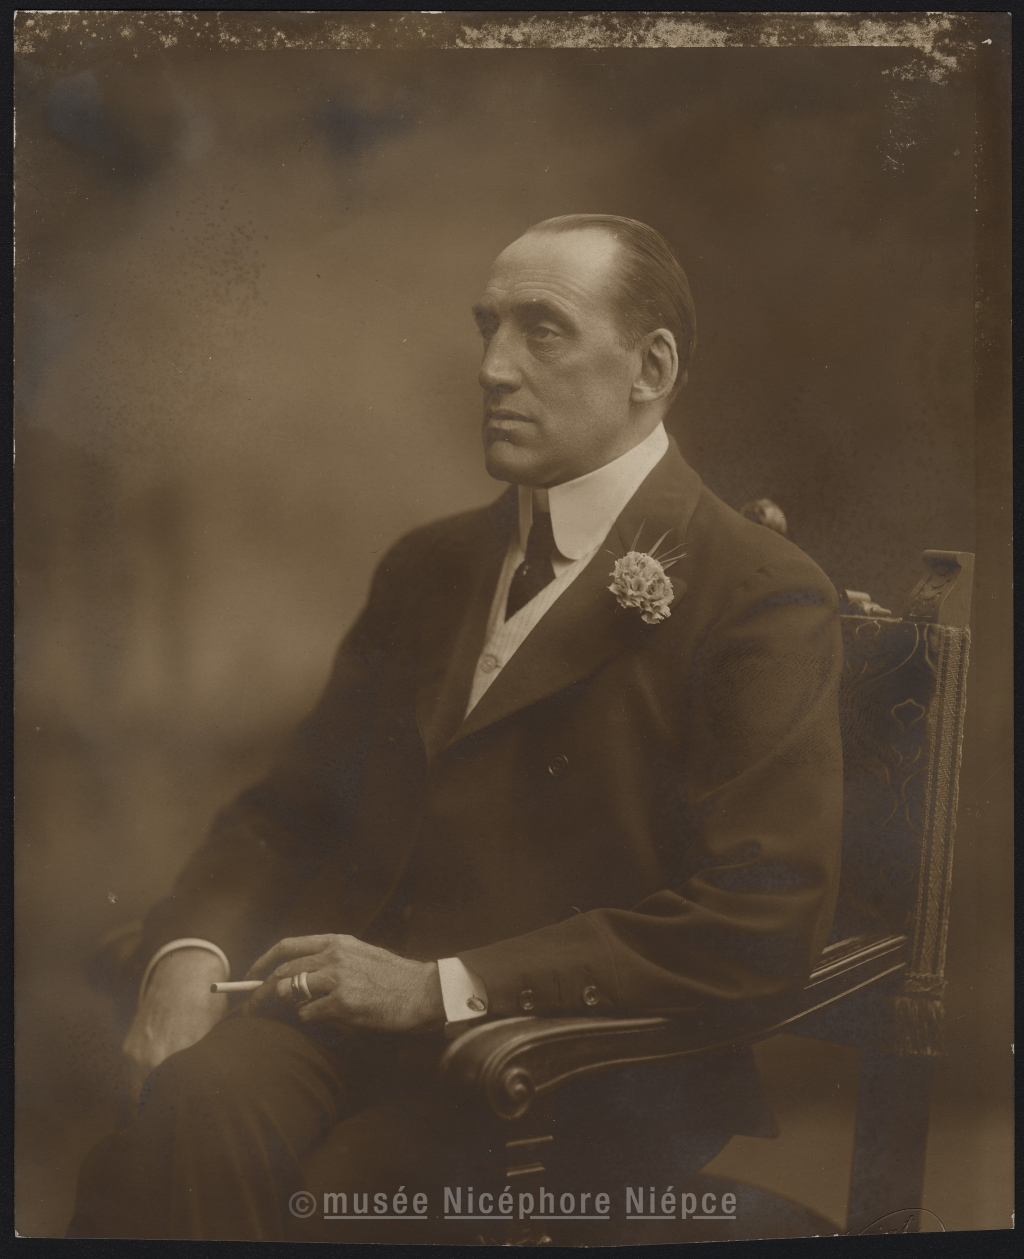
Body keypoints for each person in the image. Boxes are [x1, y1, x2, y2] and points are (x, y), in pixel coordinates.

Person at [69, 214, 844, 1241]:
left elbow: (760, 911)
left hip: (565, 1063)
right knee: (185, 1118)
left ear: (650, 367)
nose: (492, 367)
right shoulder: (429, 567)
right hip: (342, 1026)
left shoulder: (756, 591)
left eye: (542, 330)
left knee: (333, 1203)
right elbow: (288, 810)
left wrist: (440, 987)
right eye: (488, 327)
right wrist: (187, 950)